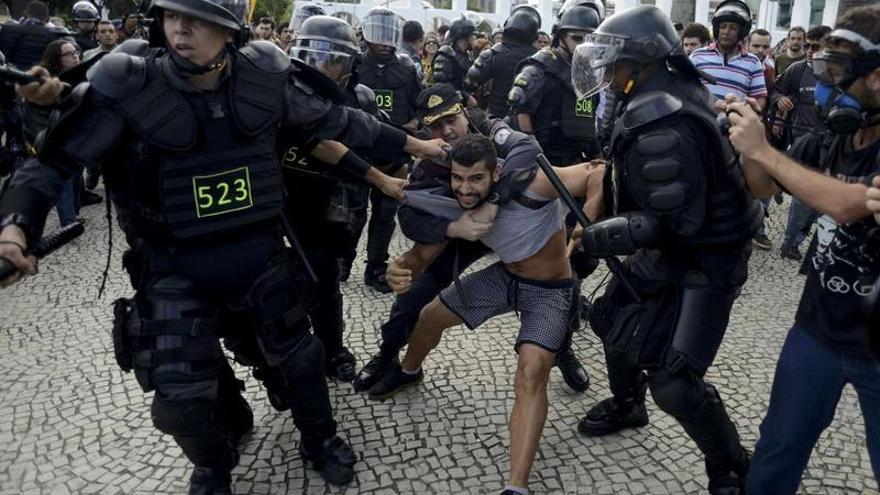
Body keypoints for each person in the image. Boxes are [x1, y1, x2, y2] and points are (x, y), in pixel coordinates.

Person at [0, 0, 446, 491]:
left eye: (197, 18)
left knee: (301, 361)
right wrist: (16, 228)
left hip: (257, 254)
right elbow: (50, 165)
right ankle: (213, 463)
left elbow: (339, 123)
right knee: (178, 403)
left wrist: (415, 146)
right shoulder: (129, 83)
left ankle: (320, 440)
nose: (181, 28)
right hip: (171, 265)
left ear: (229, 29)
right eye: (171, 15)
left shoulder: (263, 76)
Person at [571, 6, 763, 493]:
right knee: (613, 323)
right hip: (677, 241)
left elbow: (676, 221)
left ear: (643, 61)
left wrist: (598, 236)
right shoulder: (657, 93)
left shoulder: (662, 117)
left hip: (710, 254)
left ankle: (731, 463)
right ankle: (627, 405)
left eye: (614, 60)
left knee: (675, 383)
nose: (605, 70)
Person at [369, 133, 604, 495]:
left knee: (532, 371)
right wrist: (399, 269)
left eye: (476, 178)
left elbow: (598, 171)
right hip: (505, 277)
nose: (465, 188)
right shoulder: (459, 206)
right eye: (458, 178)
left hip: (550, 290)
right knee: (429, 316)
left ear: (496, 173)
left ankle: (517, 487)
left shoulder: (534, 183)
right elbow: (420, 258)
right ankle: (408, 371)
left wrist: (583, 227)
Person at [724, 6, 880, 491]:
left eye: (837, 75)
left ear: (876, 77)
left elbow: (852, 204)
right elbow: (765, 187)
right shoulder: (834, 137)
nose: (825, 88)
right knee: (777, 448)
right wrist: (751, 143)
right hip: (818, 328)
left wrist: (765, 152)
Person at [353, 83, 591, 396]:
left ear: (464, 111)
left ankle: (562, 349)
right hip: (464, 231)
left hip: (507, 224)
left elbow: (529, 149)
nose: (447, 130)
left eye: (451, 119)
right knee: (414, 293)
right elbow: (410, 216)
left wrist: (493, 200)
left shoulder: (492, 129)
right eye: (436, 125)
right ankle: (388, 356)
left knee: (563, 282)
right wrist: (452, 230)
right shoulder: (429, 158)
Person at [279, 14, 411, 384]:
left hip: (328, 201)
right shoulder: (279, 90)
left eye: (332, 58)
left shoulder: (358, 99)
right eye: (314, 55)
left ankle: (332, 348)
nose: (322, 66)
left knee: (323, 281)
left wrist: (394, 173)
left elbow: (372, 146)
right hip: (279, 200)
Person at [351, 7, 423, 293]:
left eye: (387, 36)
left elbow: (420, 106)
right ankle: (343, 259)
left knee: (384, 212)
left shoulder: (407, 69)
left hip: (394, 152)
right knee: (353, 210)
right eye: (377, 35)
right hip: (359, 150)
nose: (383, 42)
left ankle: (376, 267)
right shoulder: (355, 64)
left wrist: (413, 126)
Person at [690, 0, 770, 250]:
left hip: (734, 133)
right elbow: (686, 89)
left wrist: (750, 108)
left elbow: (760, 97)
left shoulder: (752, 63)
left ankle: (744, 227)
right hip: (701, 131)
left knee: (735, 182)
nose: (726, 31)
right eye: (722, 26)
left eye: (732, 27)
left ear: (742, 31)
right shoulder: (698, 56)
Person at [508, 0, 603, 166]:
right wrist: (532, 155)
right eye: (577, 38)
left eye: (590, 39)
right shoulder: (541, 67)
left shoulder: (586, 73)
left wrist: (598, 156)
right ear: (560, 36)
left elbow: (587, 122)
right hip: (543, 161)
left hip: (577, 160)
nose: (584, 45)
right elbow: (519, 107)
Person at [772, 25, 832, 261]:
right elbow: (776, 91)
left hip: (833, 145)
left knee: (823, 201)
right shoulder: (796, 70)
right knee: (803, 196)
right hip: (803, 140)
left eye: (816, 47)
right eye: (808, 46)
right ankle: (791, 242)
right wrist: (780, 100)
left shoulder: (841, 74)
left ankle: (802, 237)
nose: (809, 51)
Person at [463, 4, 540, 118]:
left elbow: (470, 82)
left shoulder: (494, 54)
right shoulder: (538, 58)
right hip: (527, 120)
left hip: (496, 117)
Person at [0, 0, 66, 70]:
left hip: (9, 75)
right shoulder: (53, 36)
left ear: (25, 14)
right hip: (38, 76)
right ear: (48, 19)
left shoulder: (7, 30)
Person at [432, 15, 476, 100]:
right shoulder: (445, 56)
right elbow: (441, 86)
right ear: (464, 37)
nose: (474, 38)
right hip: (449, 106)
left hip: (464, 106)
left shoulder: (468, 56)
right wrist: (465, 97)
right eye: (472, 35)